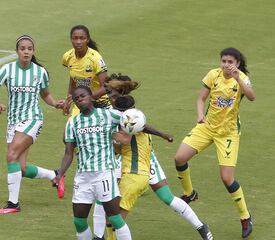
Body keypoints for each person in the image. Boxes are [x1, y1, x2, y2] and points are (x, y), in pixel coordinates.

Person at [97, 74, 213, 240]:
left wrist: (162, 134)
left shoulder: (128, 112)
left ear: (121, 92)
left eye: (111, 93)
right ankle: (101, 235)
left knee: (166, 198)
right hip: (129, 159)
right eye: (108, 93)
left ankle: (201, 226)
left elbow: (137, 130)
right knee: (106, 196)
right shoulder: (118, 109)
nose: (108, 96)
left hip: (143, 160)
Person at [174, 47, 256, 238]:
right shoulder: (213, 74)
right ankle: (189, 193)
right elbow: (201, 98)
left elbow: (252, 97)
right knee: (179, 157)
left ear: (237, 64)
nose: (226, 65)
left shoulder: (241, 79)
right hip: (207, 127)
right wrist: (200, 115)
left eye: (230, 62)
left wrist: (238, 79)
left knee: (227, 178)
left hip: (227, 133)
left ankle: (245, 216)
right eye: (224, 61)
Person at [0, 35, 65, 214]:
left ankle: (13, 204)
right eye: (23, 48)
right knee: (20, 168)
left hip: (32, 119)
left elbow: (45, 95)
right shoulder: (7, 70)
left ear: (33, 51)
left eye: (29, 48)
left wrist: (55, 103)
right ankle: (55, 175)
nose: (26, 51)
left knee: (11, 154)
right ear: (17, 51)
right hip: (13, 122)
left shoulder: (39, 72)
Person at [53, 86, 132, 240]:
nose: (79, 99)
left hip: (104, 173)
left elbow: (133, 121)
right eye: (76, 98)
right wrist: (60, 173)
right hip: (83, 177)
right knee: (79, 220)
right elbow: (68, 153)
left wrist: (160, 134)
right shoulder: (72, 123)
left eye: (82, 96)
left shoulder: (108, 115)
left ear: (91, 97)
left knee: (115, 218)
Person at [62, 25, 109, 117]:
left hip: (100, 102)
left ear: (87, 40)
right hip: (80, 103)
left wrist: (88, 98)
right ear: (71, 39)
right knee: (71, 129)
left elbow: (106, 87)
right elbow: (73, 79)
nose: (78, 42)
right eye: (75, 38)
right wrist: (68, 101)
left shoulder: (95, 58)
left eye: (82, 38)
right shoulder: (67, 57)